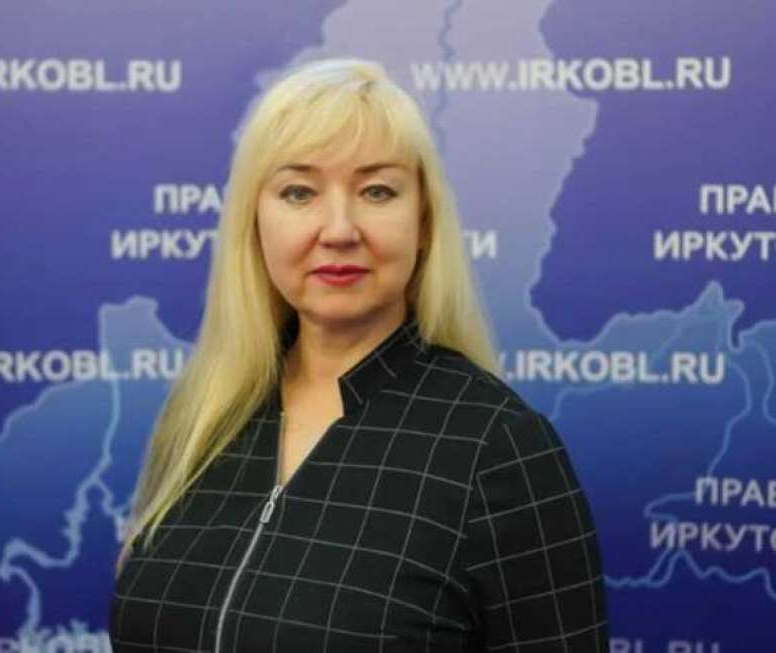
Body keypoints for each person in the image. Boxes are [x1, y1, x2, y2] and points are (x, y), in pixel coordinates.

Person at [109, 58, 608, 652]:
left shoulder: (498, 448)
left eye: (377, 191)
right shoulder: (206, 416)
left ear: (424, 222)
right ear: (255, 220)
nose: (339, 229)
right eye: (299, 192)